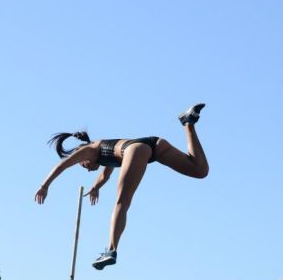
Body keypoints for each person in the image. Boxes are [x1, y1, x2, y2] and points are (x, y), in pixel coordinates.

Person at [35, 103, 209, 270]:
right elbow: (105, 174)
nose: (86, 169)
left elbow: (62, 166)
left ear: (83, 154)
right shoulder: (105, 153)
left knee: (121, 203)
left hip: (136, 150)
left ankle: (110, 250)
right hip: (155, 144)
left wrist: (44, 186)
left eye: (83, 165)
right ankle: (188, 122)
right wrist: (96, 187)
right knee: (199, 170)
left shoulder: (90, 149)